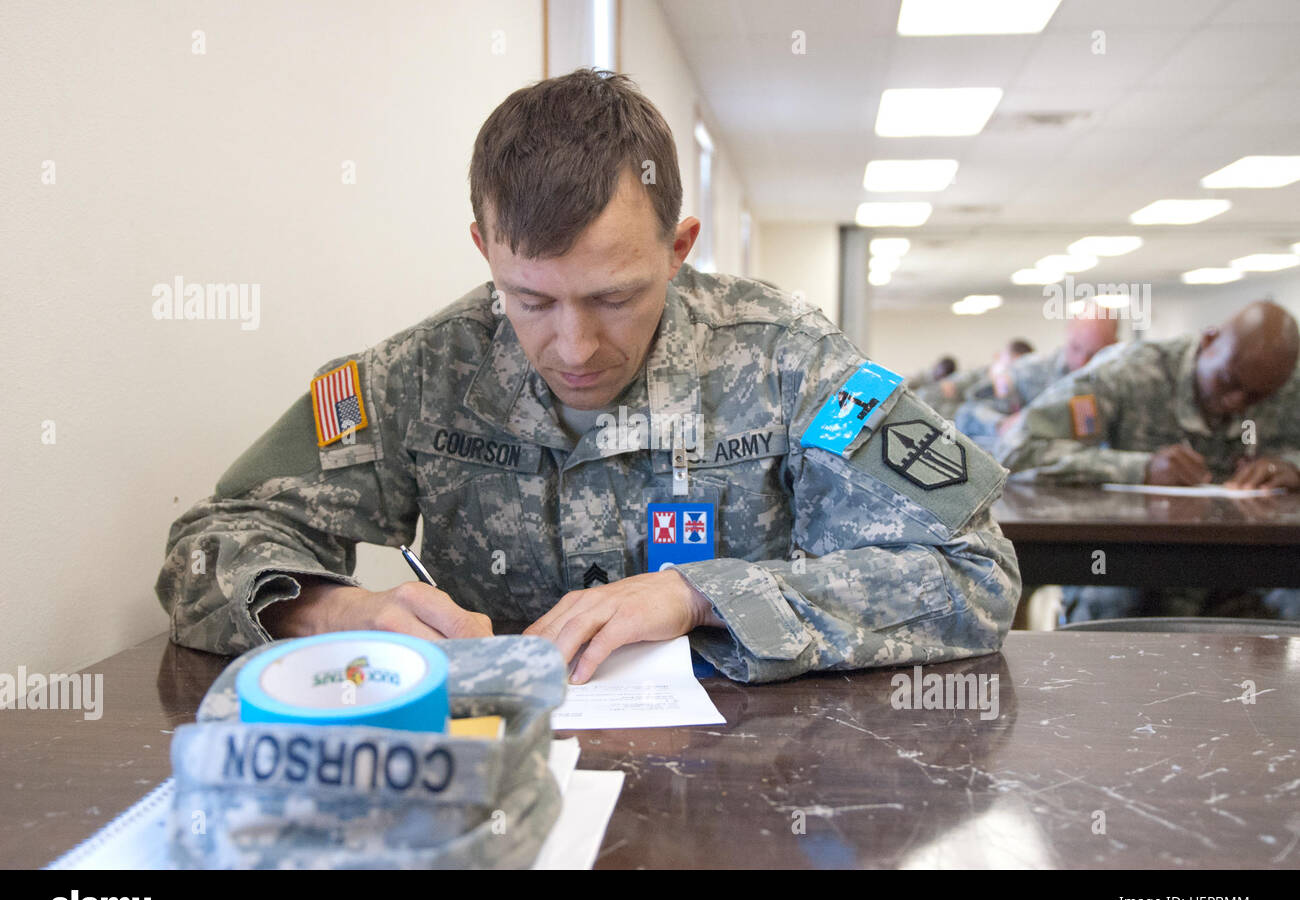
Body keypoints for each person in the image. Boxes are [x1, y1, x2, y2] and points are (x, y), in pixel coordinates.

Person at [155, 70, 1020, 684]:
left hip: (746, 799)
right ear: (484, 251)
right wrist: (332, 613)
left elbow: (977, 576)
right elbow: (209, 543)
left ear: (678, 250)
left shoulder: (791, 359)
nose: (573, 345)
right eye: (530, 299)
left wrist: (701, 595)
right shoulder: (422, 374)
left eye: (613, 297)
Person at [997, 301, 1300, 623]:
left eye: (1256, 396)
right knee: (1109, 607)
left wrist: (1292, 467)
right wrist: (1140, 469)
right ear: (1209, 341)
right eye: (1228, 380)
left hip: (1244, 565)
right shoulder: (1130, 373)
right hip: (1131, 560)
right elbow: (1018, 450)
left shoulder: (1285, 384)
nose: (1237, 401)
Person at [955, 305, 1119, 451]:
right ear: (1067, 334)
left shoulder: (1116, 383)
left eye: (1094, 353)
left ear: (1114, 344)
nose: (1082, 361)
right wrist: (1002, 425)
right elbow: (967, 413)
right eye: (1075, 348)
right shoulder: (1028, 371)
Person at [916, 339, 1033, 420]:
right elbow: (932, 395)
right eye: (1011, 361)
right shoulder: (975, 377)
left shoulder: (1021, 392)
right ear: (999, 356)